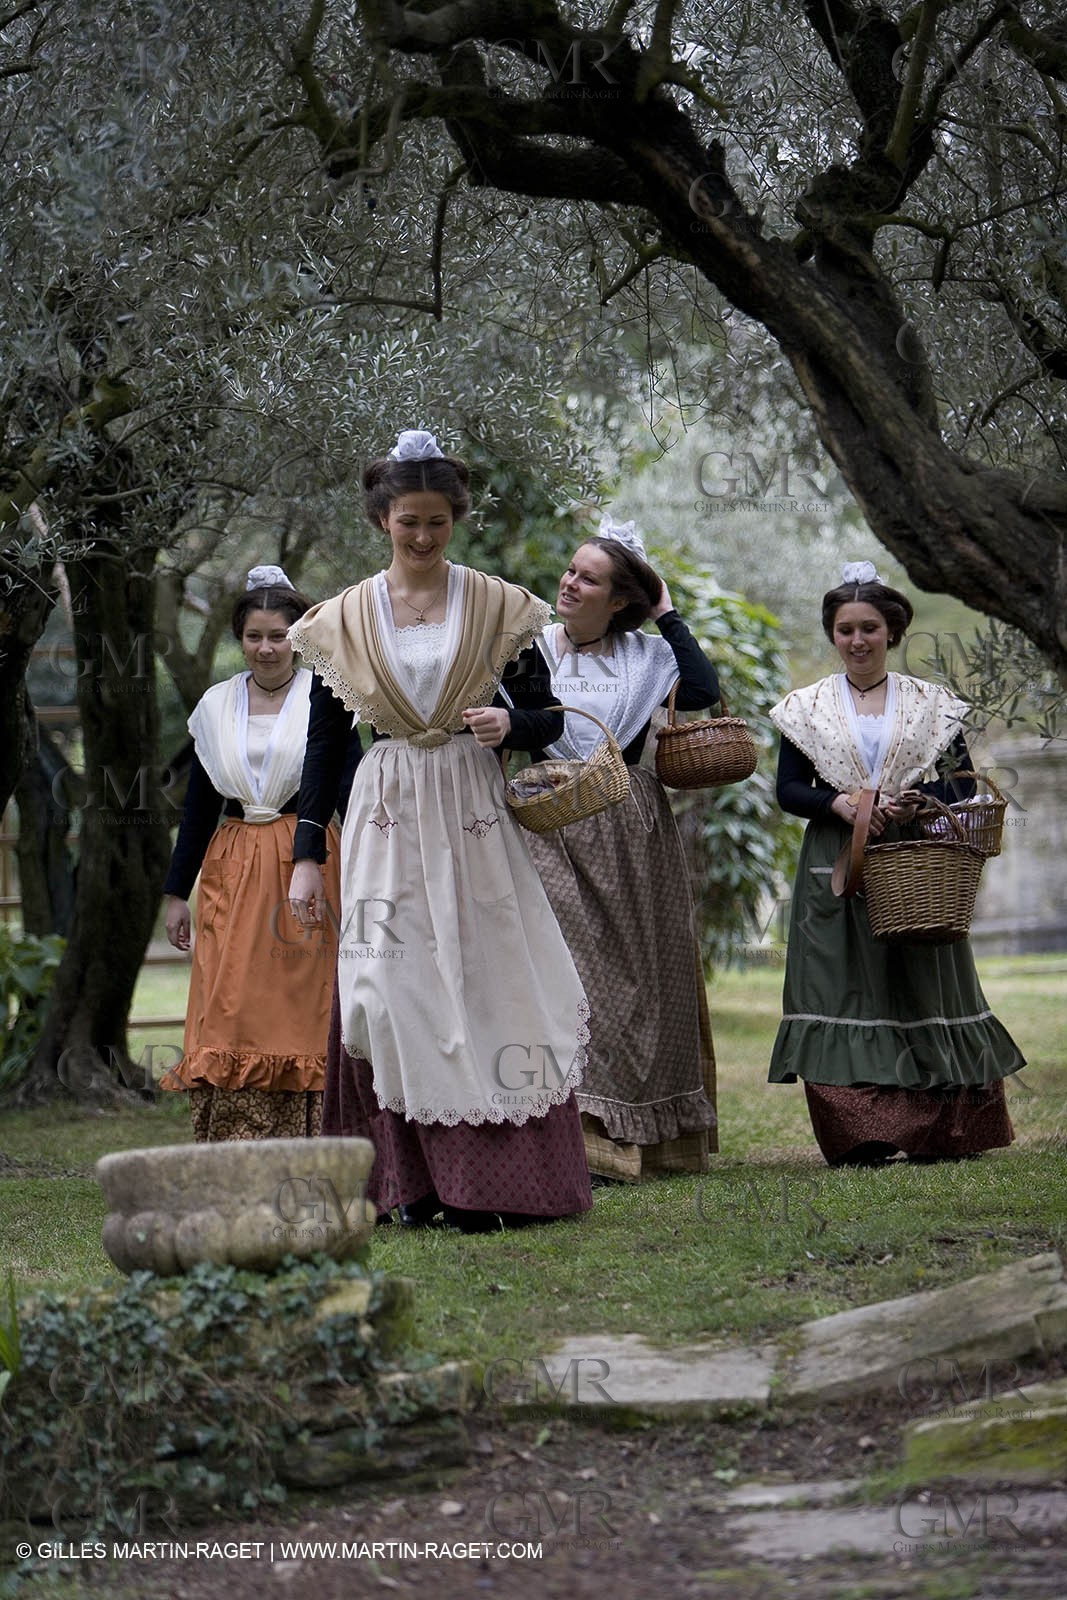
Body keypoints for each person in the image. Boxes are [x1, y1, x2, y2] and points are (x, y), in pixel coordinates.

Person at [287, 429, 592, 1231]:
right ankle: (405, 1184)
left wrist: (508, 722)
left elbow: (549, 716)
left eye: (435, 523)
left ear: (455, 519)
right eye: (405, 522)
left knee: (487, 983)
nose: (421, 538)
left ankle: (491, 1186)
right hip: (385, 808)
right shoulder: (340, 621)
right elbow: (324, 744)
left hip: (471, 807)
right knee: (386, 988)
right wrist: (306, 854)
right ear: (381, 518)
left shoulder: (498, 605)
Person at [767, 560, 1025, 1164]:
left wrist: (914, 803)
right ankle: (860, 1133)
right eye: (845, 629)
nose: (857, 641)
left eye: (870, 628)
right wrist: (842, 802)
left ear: (893, 632)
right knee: (841, 986)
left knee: (924, 983)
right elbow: (787, 790)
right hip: (837, 859)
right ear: (832, 634)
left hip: (916, 861)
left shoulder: (933, 706)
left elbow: (960, 788)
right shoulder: (803, 708)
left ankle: (945, 1130)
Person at [518, 516, 720, 1182]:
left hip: (631, 825)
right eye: (571, 571)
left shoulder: (648, 659)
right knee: (571, 971)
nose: (570, 584)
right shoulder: (533, 648)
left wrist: (666, 612)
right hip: (550, 821)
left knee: (642, 977)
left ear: (621, 600)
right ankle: (580, 1135)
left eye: (589, 578)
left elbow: (702, 691)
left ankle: (645, 1134)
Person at [161, 567, 343, 1141]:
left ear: (300, 636)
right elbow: (198, 807)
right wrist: (174, 894)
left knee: (298, 998)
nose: (266, 649)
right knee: (231, 1000)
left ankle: (309, 1138)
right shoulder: (216, 705)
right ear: (239, 638)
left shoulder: (328, 696)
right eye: (254, 636)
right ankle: (235, 1137)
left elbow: (353, 787)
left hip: (305, 861)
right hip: (232, 865)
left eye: (278, 636)